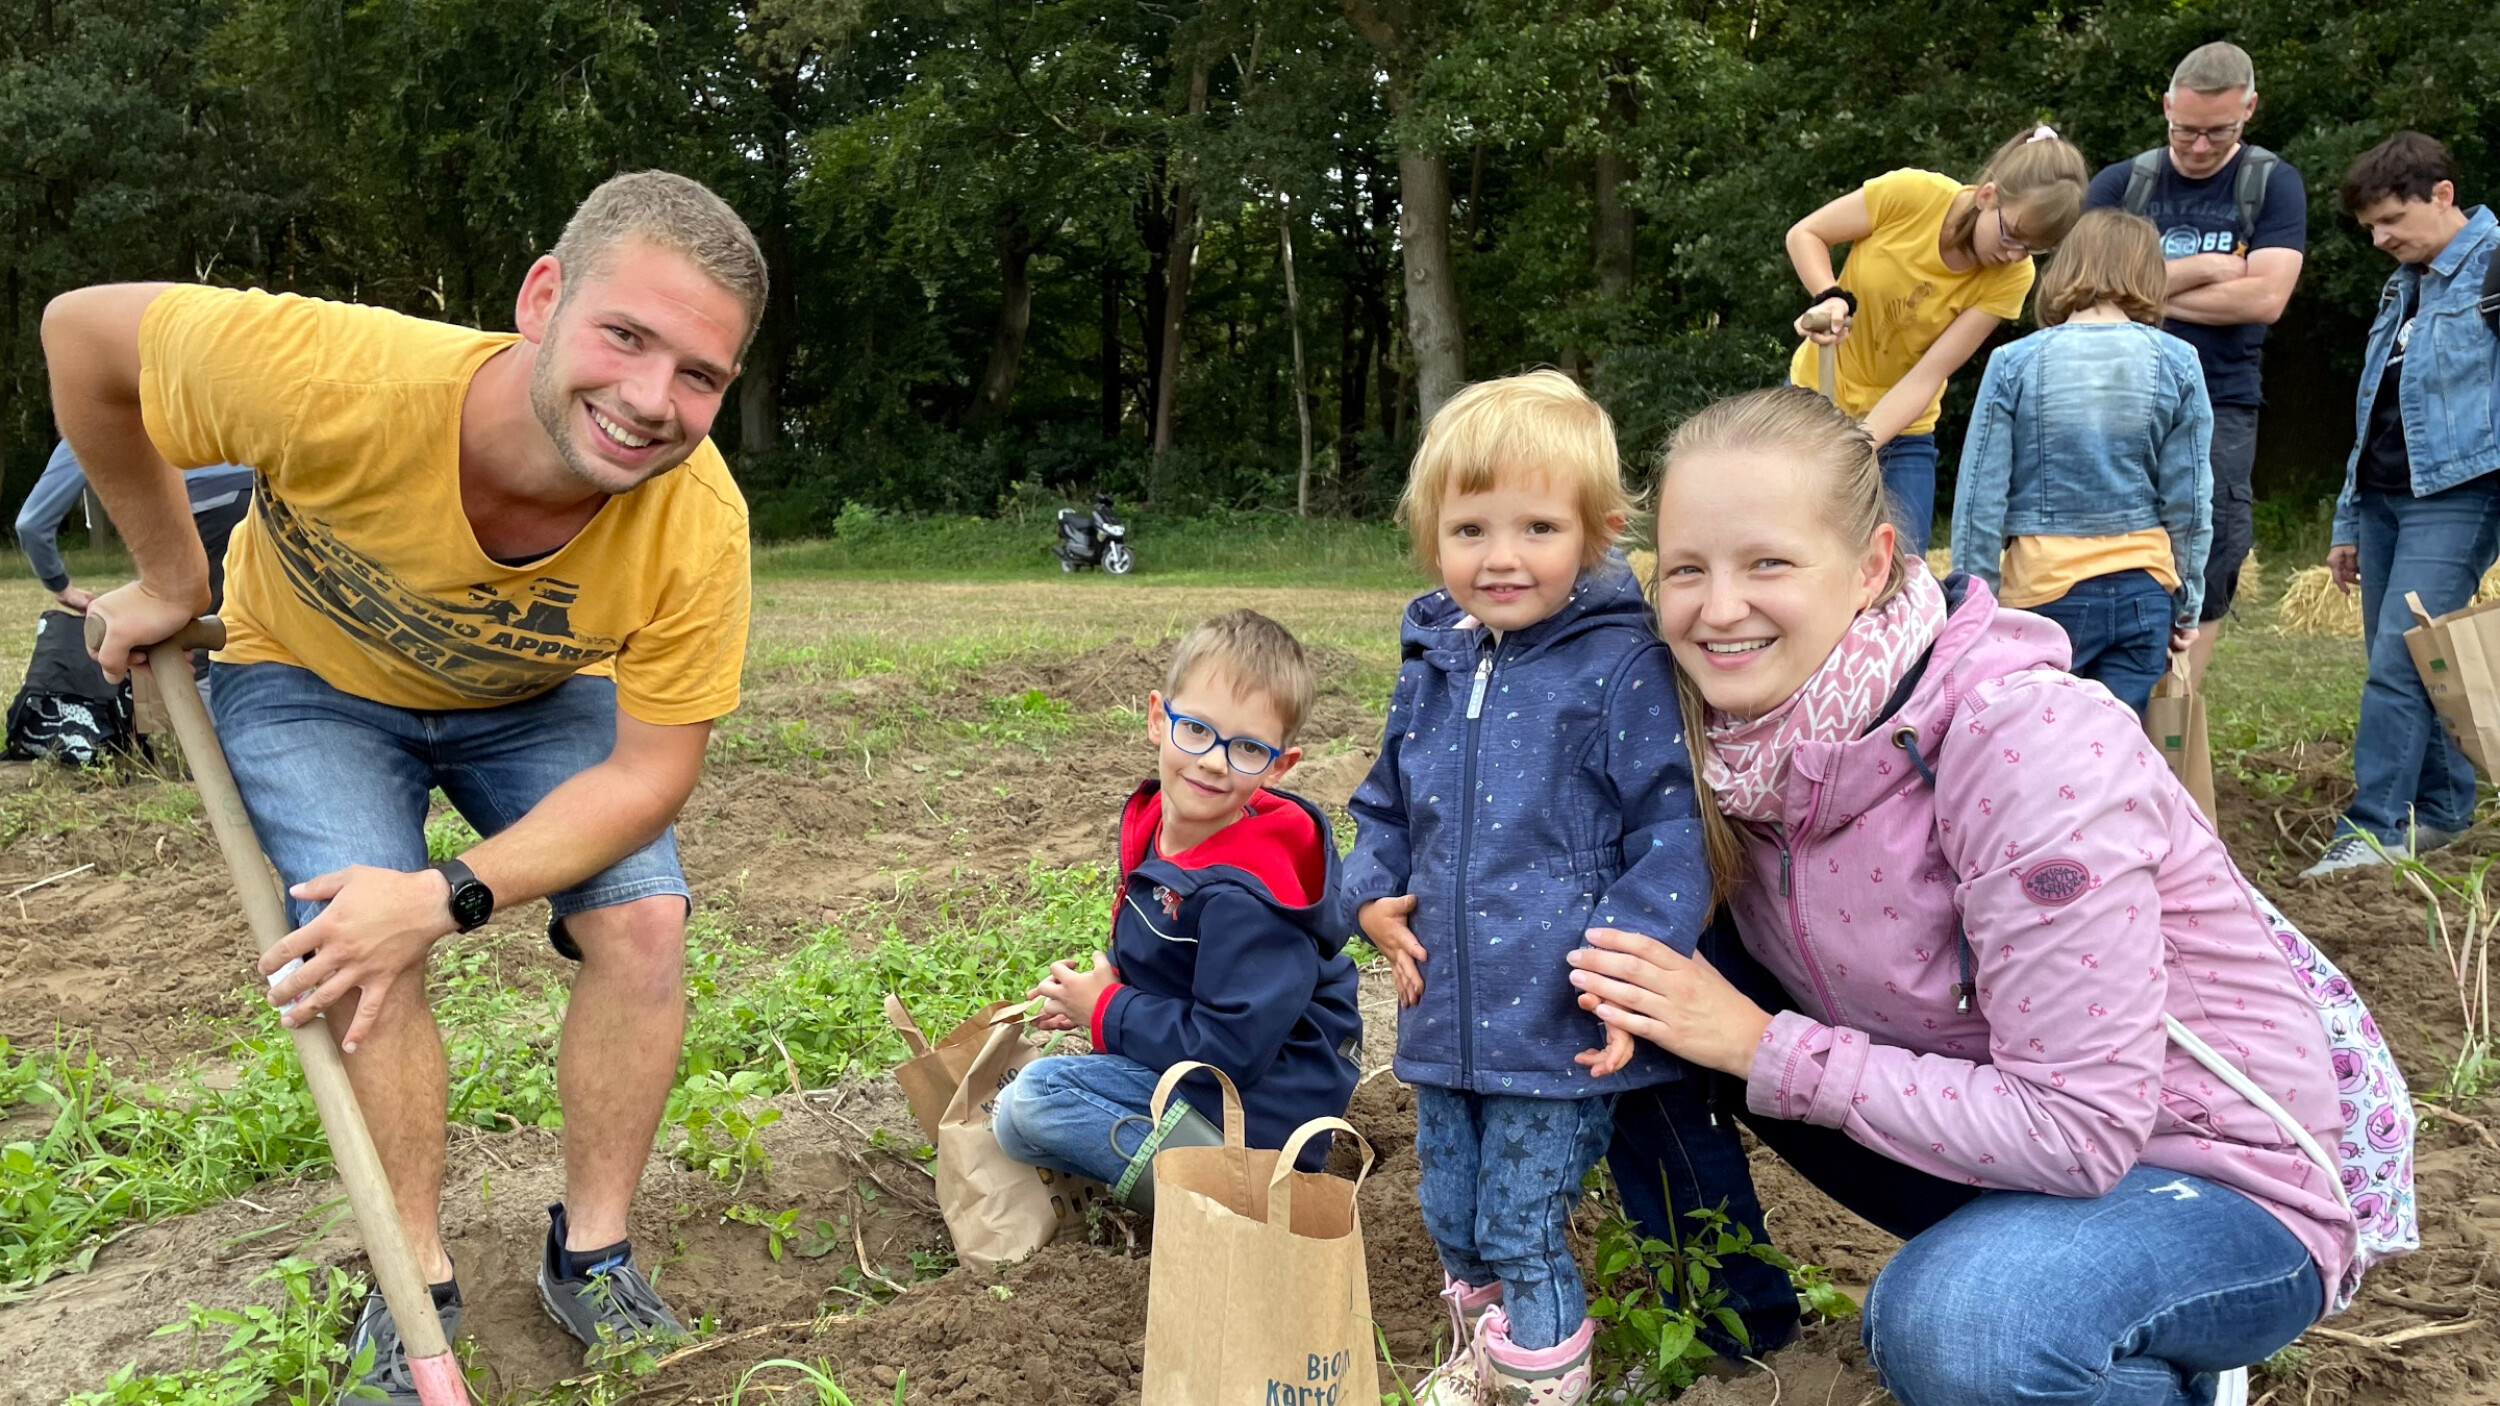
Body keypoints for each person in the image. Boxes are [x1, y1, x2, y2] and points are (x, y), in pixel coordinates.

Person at [42, 171, 762, 1398]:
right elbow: (83, 333)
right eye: (625, 335)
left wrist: (447, 890)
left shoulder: (698, 525)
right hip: (306, 677)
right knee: (358, 952)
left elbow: (651, 772)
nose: (653, 400)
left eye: (700, 374)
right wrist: (171, 572)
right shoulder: (334, 377)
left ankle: (592, 1254)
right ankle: (412, 1281)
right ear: (543, 298)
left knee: (643, 920)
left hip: (533, 698)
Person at [1567, 386, 2404, 1406]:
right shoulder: (1726, 748)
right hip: (1985, 1138)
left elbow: (2081, 1127)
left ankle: (2134, 1344)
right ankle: (1743, 1343)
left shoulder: (2023, 743)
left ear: (1872, 564)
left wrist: (1755, 1045)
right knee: (1617, 959)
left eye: (1768, 562)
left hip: (2209, 1177)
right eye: (1687, 569)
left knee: (1965, 1325)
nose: (1719, 606)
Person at [1340, 370, 1736, 1405]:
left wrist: (1624, 976)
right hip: (1443, 1015)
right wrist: (1369, 893)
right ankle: (1488, 1358)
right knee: (1454, 1212)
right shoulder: (1430, 658)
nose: (1501, 556)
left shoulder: (1618, 666)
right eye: (1470, 528)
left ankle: (1541, 1385)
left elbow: (1669, 826)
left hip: (1557, 1011)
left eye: (1536, 527)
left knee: (1523, 1221)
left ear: (1598, 533)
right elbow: (1383, 798)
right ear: (1429, 533)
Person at [994, 609, 1363, 1191]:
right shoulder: (1158, 824)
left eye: (1246, 748)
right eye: (1196, 729)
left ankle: (1244, 1199)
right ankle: (1181, 1170)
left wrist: (1111, 1010)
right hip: (1206, 1080)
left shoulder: (1253, 891)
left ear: (1279, 767)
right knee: (1020, 1116)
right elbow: (1186, 965)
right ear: (1157, 718)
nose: (1214, 761)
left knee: (1035, 1100)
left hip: (1262, 1111)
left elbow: (1231, 1050)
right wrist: (1106, 992)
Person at [2305, 134, 2500, 880]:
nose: (2380, 239)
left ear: (2442, 195)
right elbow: (2374, 409)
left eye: (2391, 221)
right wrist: (2349, 521)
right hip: (2384, 498)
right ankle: (2444, 810)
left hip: (2458, 494)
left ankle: (2373, 828)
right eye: (2372, 228)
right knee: (2416, 660)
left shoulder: (2495, 269)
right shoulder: (2403, 285)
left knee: (2397, 663)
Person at [2084, 40, 2308, 688]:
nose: (2201, 147)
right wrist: (2211, 268)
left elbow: (2266, 298)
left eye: (2219, 132)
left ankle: (2176, 706)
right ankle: (2102, 697)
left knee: (2209, 551)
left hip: (2222, 401)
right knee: (2107, 544)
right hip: (2111, 398)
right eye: (2186, 131)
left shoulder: (2271, 183)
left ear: (2250, 111)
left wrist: (2139, 287)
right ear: (2165, 108)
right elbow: (2080, 290)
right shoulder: (2123, 183)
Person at [1950, 208, 2213, 715]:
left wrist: (1971, 608)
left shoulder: (2014, 363)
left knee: (2039, 754)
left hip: (2044, 597)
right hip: (2145, 592)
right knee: (2111, 762)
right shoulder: (2180, 362)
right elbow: (2191, 501)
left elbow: (1978, 502)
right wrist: (2187, 604)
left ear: (2066, 270)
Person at [1787, 125, 2089, 555]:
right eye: (2011, 236)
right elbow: (1805, 234)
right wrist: (1831, 296)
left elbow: (1927, 375)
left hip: (1903, 430)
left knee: (1902, 574)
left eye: (2033, 249)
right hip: (1814, 402)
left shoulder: (2012, 278)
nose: (2014, 256)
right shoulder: (1912, 194)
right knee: (1792, 555)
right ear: (1988, 196)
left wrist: (1857, 448)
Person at [15, 440, 253, 615]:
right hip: (265, 496)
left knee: (197, 644)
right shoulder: (193, 384)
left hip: (200, 509)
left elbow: (32, 524)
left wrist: (60, 586)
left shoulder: (97, 405)